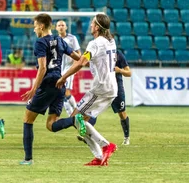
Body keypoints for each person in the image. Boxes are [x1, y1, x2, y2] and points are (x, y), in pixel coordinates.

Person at [54, 14, 118, 166]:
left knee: (76, 118)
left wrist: (64, 77)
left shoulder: (95, 43)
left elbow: (81, 62)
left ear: (97, 27)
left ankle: (105, 145)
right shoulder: (111, 41)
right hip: (111, 87)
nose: (90, 25)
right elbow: (97, 61)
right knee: (82, 121)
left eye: (92, 23)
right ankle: (99, 157)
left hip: (101, 88)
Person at [19, 13, 81, 165]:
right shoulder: (60, 40)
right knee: (51, 125)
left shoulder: (40, 42)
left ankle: (28, 159)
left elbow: (42, 68)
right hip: (60, 84)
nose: (34, 29)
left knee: (27, 119)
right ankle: (73, 120)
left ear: (41, 26)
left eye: (35, 26)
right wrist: (65, 76)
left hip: (47, 85)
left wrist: (34, 89)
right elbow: (78, 58)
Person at [56, 20, 81, 116]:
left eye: (63, 25)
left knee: (66, 91)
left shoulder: (72, 38)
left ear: (66, 27)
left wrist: (75, 65)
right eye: (59, 25)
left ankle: (76, 111)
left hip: (69, 68)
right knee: (61, 92)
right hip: (59, 68)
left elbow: (79, 54)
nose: (61, 27)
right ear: (56, 28)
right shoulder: (55, 39)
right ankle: (71, 115)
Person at [112, 50, 131, 145]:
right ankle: (86, 135)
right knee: (94, 111)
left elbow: (129, 73)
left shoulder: (118, 54)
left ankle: (126, 137)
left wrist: (120, 70)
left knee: (122, 113)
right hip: (103, 86)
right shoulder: (100, 52)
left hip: (117, 87)